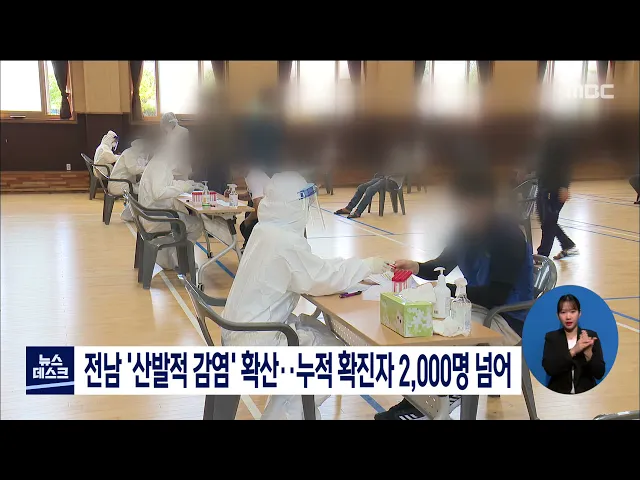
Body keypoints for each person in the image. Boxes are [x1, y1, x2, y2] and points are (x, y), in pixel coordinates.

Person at [221, 171, 389, 420]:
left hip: (241, 333)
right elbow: (320, 279)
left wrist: (352, 267)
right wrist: (366, 266)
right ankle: (290, 414)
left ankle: (287, 412)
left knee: (322, 336)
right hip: (258, 343)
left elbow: (311, 269)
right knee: (336, 360)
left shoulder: (265, 230)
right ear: (294, 205)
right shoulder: (285, 241)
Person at [374, 171, 534, 420]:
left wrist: (445, 290)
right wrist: (416, 267)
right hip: (477, 307)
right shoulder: (465, 230)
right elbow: (442, 266)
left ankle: (436, 403)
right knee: (426, 328)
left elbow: (495, 296)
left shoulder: (507, 237)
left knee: (444, 337)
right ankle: (416, 402)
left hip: (507, 318)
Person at [137, 142, 205, 271]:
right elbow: (159, 193)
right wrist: (183, 188)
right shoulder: (160, 166)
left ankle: (173, 258)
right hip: (155, 218)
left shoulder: (159, 163)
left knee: (184, 220)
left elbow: (167, 183)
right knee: (197, 224)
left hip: (150, 215)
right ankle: (183, 260)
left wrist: (187, 184)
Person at [542, 294, 605, 394]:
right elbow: (550, 369)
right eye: (563, 312)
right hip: (558, 394)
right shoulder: (551, 338)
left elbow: (599, 373)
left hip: (586, 394)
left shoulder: (590, 336)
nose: (568, 317)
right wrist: (573, 351)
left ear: (579, 313)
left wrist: (588, 353)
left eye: (573, 311)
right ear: (557, 315)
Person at [534, 129, 578, 260]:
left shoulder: (560, 140)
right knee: (545, 220)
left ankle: (542, 257)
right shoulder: (543, 140)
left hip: (554, 189)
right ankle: (568, 245)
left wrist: (564, 186)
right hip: (543, 186)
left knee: (548, 223)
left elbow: (566, 165)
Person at [334, 144, 409, 219]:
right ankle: (348, 208)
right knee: (361, 187)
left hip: (394, 181)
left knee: (370, 189)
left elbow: (401, 172)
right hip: (384, 179)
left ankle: (358, 212)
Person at [224, 162, 272, 252]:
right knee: (246, 222)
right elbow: (250, 195)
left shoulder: (253, 176)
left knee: (246, 226)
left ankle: (253, 250)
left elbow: (258, 206)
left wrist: (248, 220)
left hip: (270, 213)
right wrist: (235, 196)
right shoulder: (250, 175)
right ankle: (249, 247)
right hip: (268, 209)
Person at [108, 139, 148, 222]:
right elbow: (133, 170)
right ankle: (129, 215)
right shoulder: (130, 153)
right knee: (143, 190)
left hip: (121, 183)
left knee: (141, 187)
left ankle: (129, 214)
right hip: (119, 185)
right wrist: (147, 168)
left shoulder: (131, 152)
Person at [160, 112, 191, 180]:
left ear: (170, 124)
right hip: (171, 168)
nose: (165, 128)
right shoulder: (169, 133)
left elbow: (184, 152)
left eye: (165, 125)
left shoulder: (183, 132)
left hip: (181, 168)